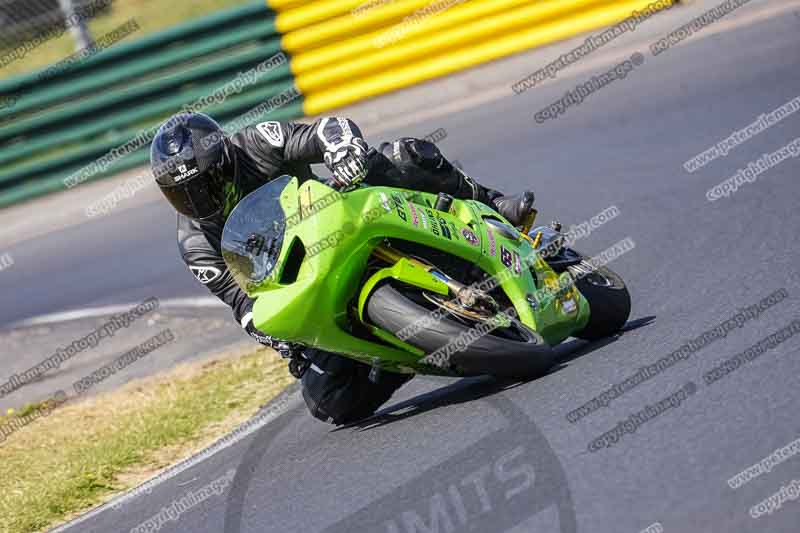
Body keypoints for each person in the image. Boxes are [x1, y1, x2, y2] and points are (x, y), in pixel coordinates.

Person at [150, 112, 535, 425]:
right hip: (300, 280)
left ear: (226, 159)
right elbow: (243, 305)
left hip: (335, 218)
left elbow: (326, 130)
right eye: (183, 194)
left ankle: (491, 203)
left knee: (402, 156)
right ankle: (395, 355)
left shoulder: (255, 143)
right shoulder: (195, 245)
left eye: (208, 182)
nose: (200, 199)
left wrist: (341, 150)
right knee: (328, 403)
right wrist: (281, 339)